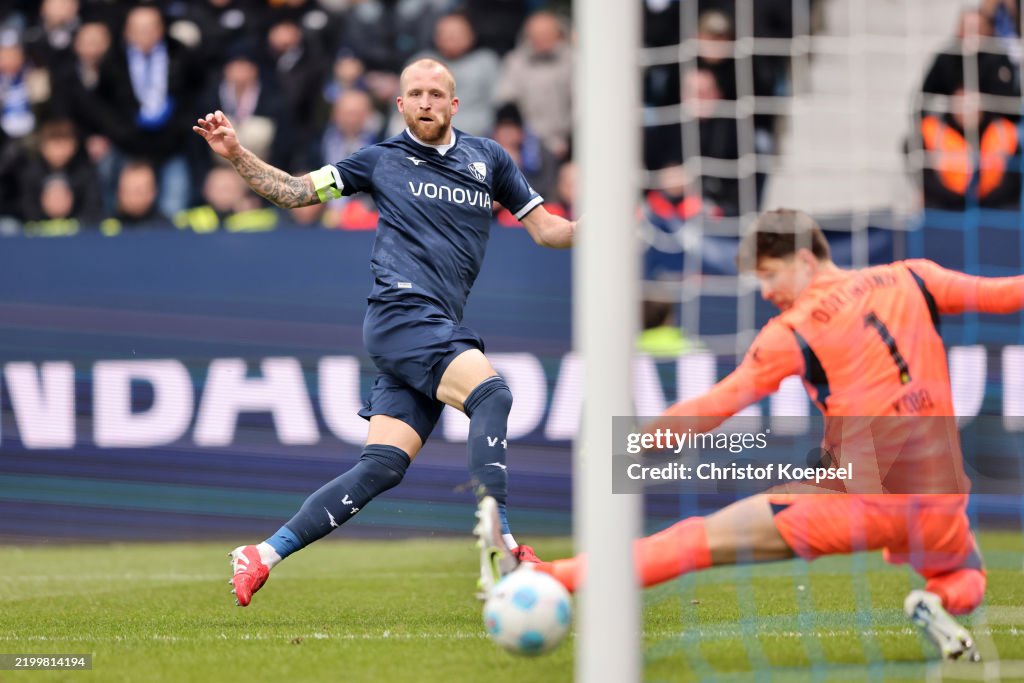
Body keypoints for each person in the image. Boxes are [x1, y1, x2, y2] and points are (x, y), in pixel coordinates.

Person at [476, 208, 1024, 661]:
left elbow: (719, 405)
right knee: (964, 576)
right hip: (941, 494)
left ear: (804, 259)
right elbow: (1006, 295)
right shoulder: (914, 276)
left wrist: (638, 442)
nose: (765, 292)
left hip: (865, 494)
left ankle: (548, 577)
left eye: (769, 275)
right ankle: (932, 601)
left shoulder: (795, 327)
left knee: (694, 539)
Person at [194, 57, 576, 607]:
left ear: (454, 104)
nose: (425, 101)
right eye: (414, 93)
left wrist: (596, 228)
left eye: (435, 93)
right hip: (402, 314)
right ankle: (504, 544)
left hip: (434, 323)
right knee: (492, 392)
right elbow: (297, 192)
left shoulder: (489, 159)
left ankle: (262, 553)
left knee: (382, 467)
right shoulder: (380, 160)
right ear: (400, 105)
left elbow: (546, 230)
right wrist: (236, 155)